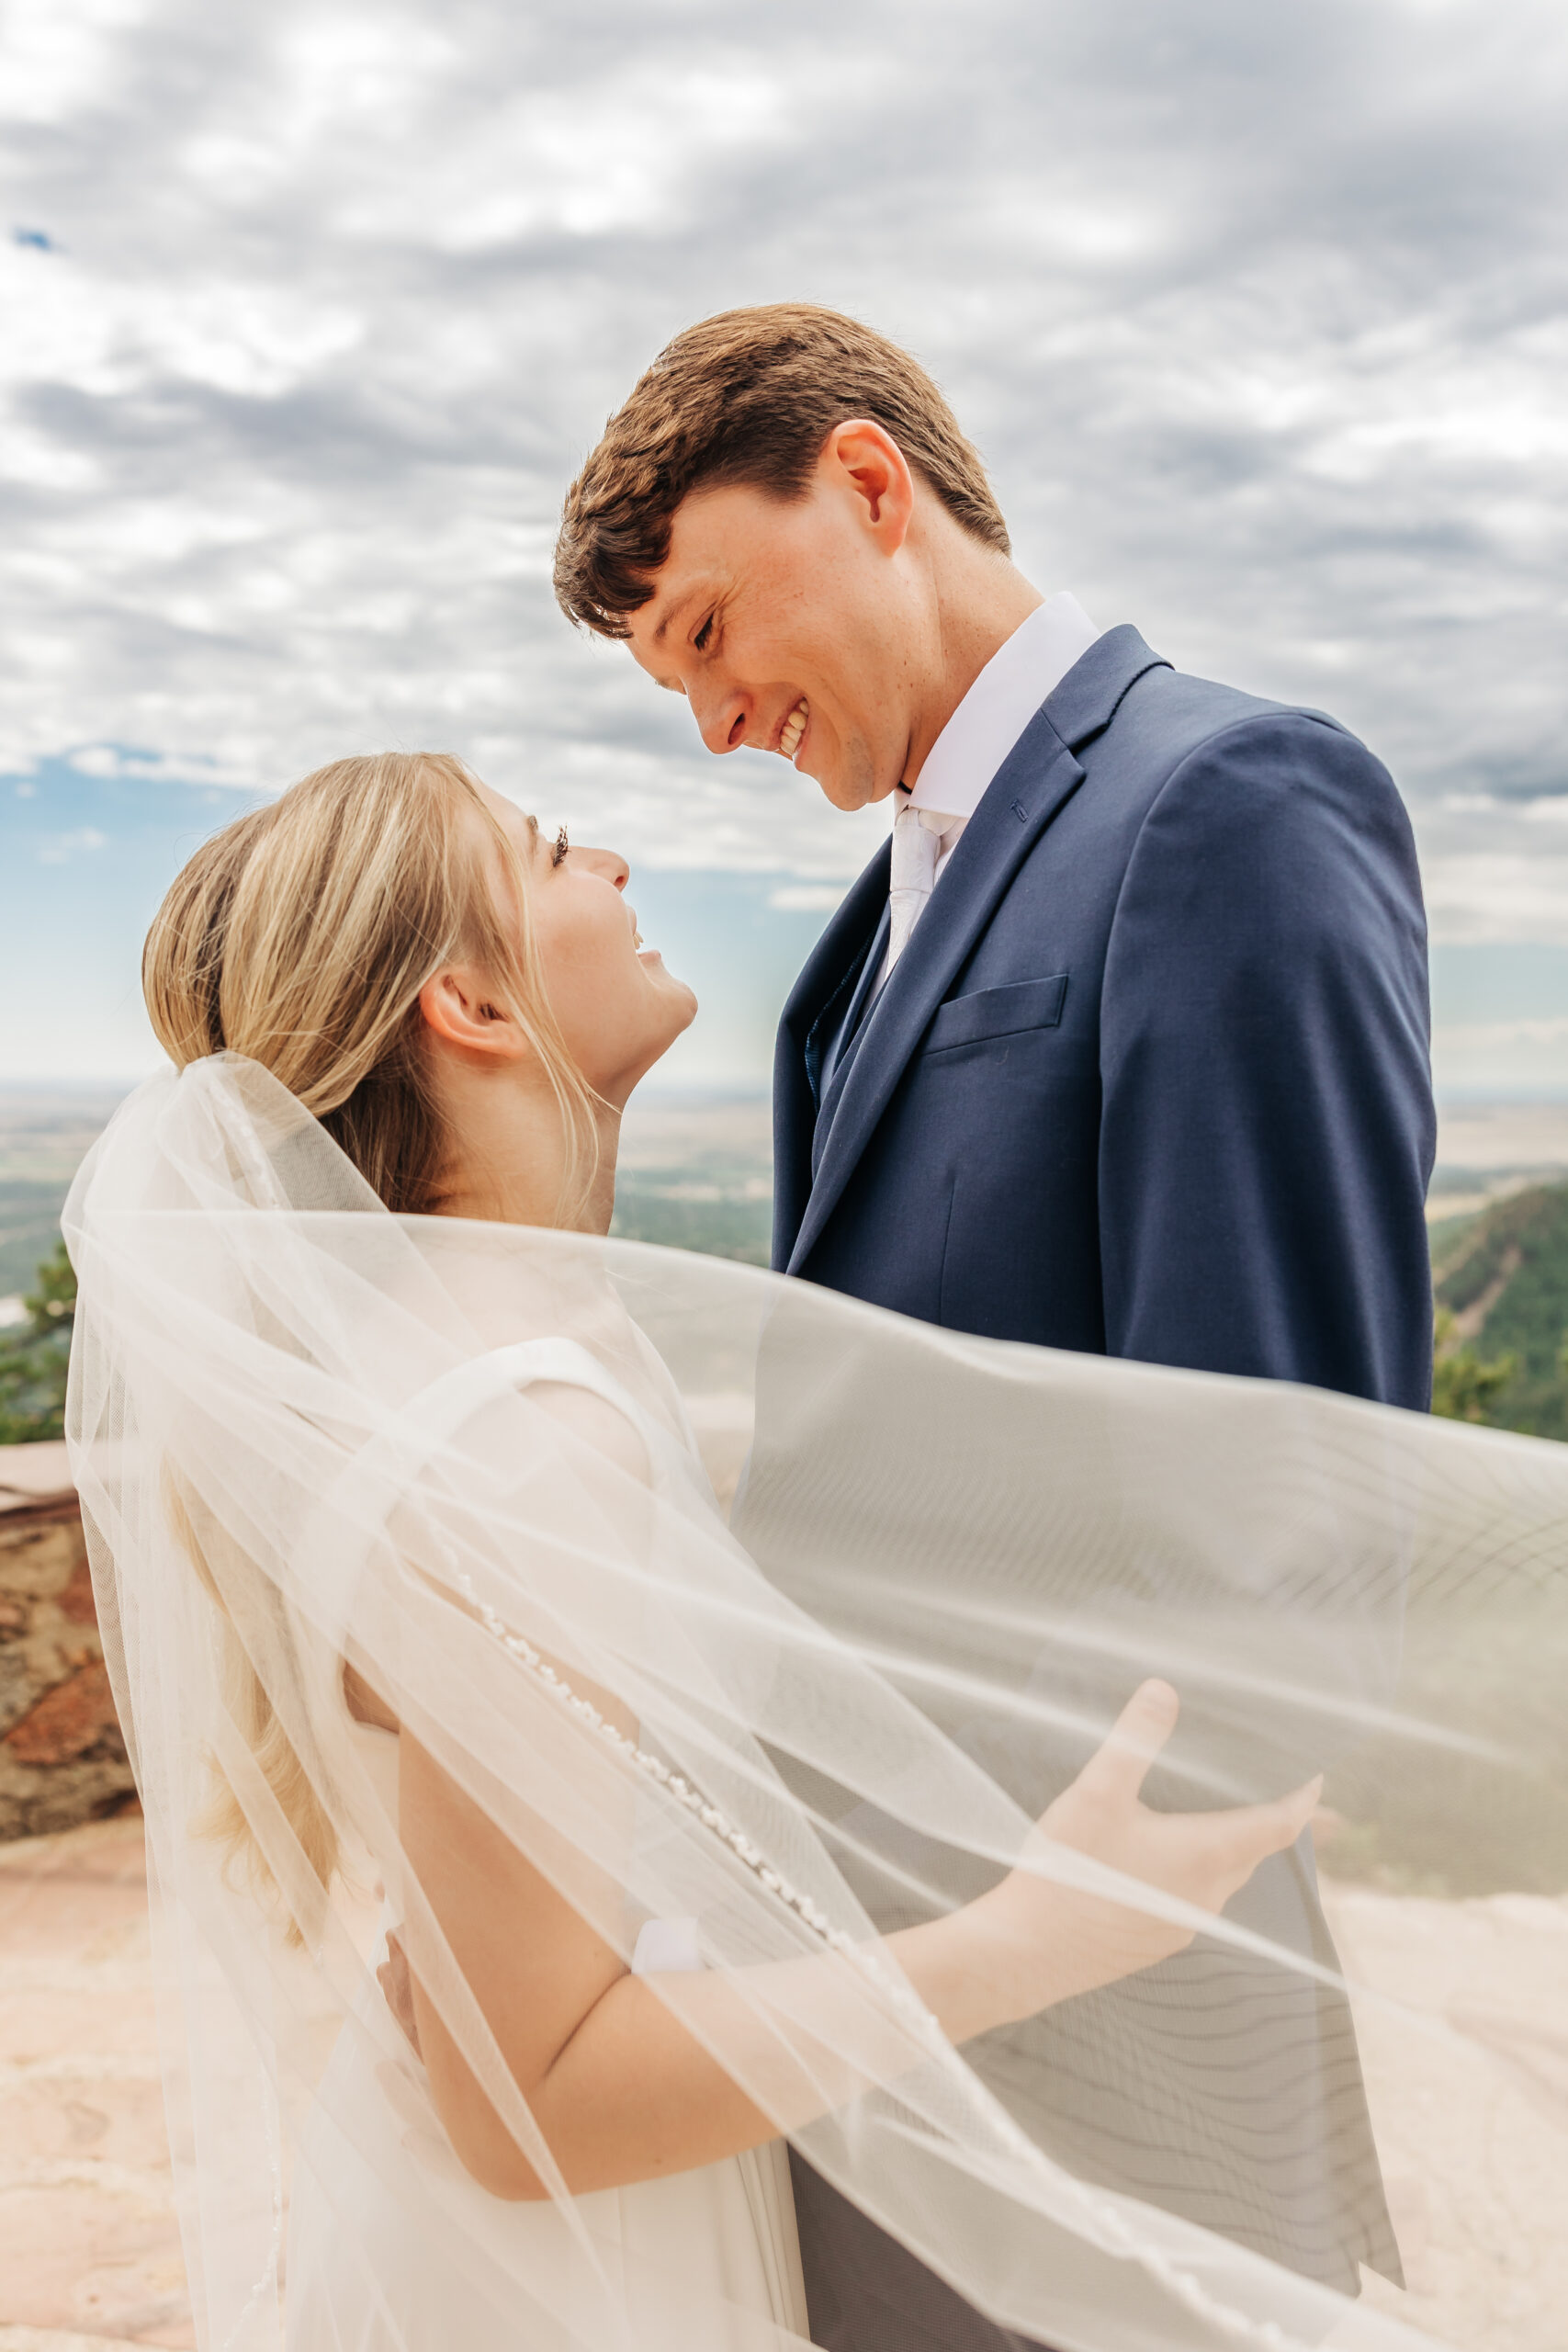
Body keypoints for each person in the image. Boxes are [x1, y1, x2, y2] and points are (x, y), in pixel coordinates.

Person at [64, 752, 1341, 2352]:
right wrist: (1032, 1939)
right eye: (545, 853)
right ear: (468, 1004)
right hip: (567, 2289)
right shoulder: (517, 1444)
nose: (605, 862)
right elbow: (529, 2103)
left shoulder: (487, 1355)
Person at [554, 304, 1437, 2346]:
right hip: (891, 2005)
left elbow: (1286, 1521)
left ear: (866, 484)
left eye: (700, 635)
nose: (706, 722)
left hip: (1103, 2054)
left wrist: (1012, 1958)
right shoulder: (866, 929)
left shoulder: (1221, 803)